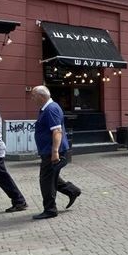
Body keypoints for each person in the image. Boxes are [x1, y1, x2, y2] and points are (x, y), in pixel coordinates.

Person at [30, 86, 81, 219]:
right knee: (52, 177)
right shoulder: (46, 108)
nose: (32, 98)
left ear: (41, 96)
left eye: (33, 96)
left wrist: (55, 152)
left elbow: (57, 131)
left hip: (51, 151)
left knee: (46, 180)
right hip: (48, 150)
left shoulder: (51, 109)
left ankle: (50, 210)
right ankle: (73, 191)